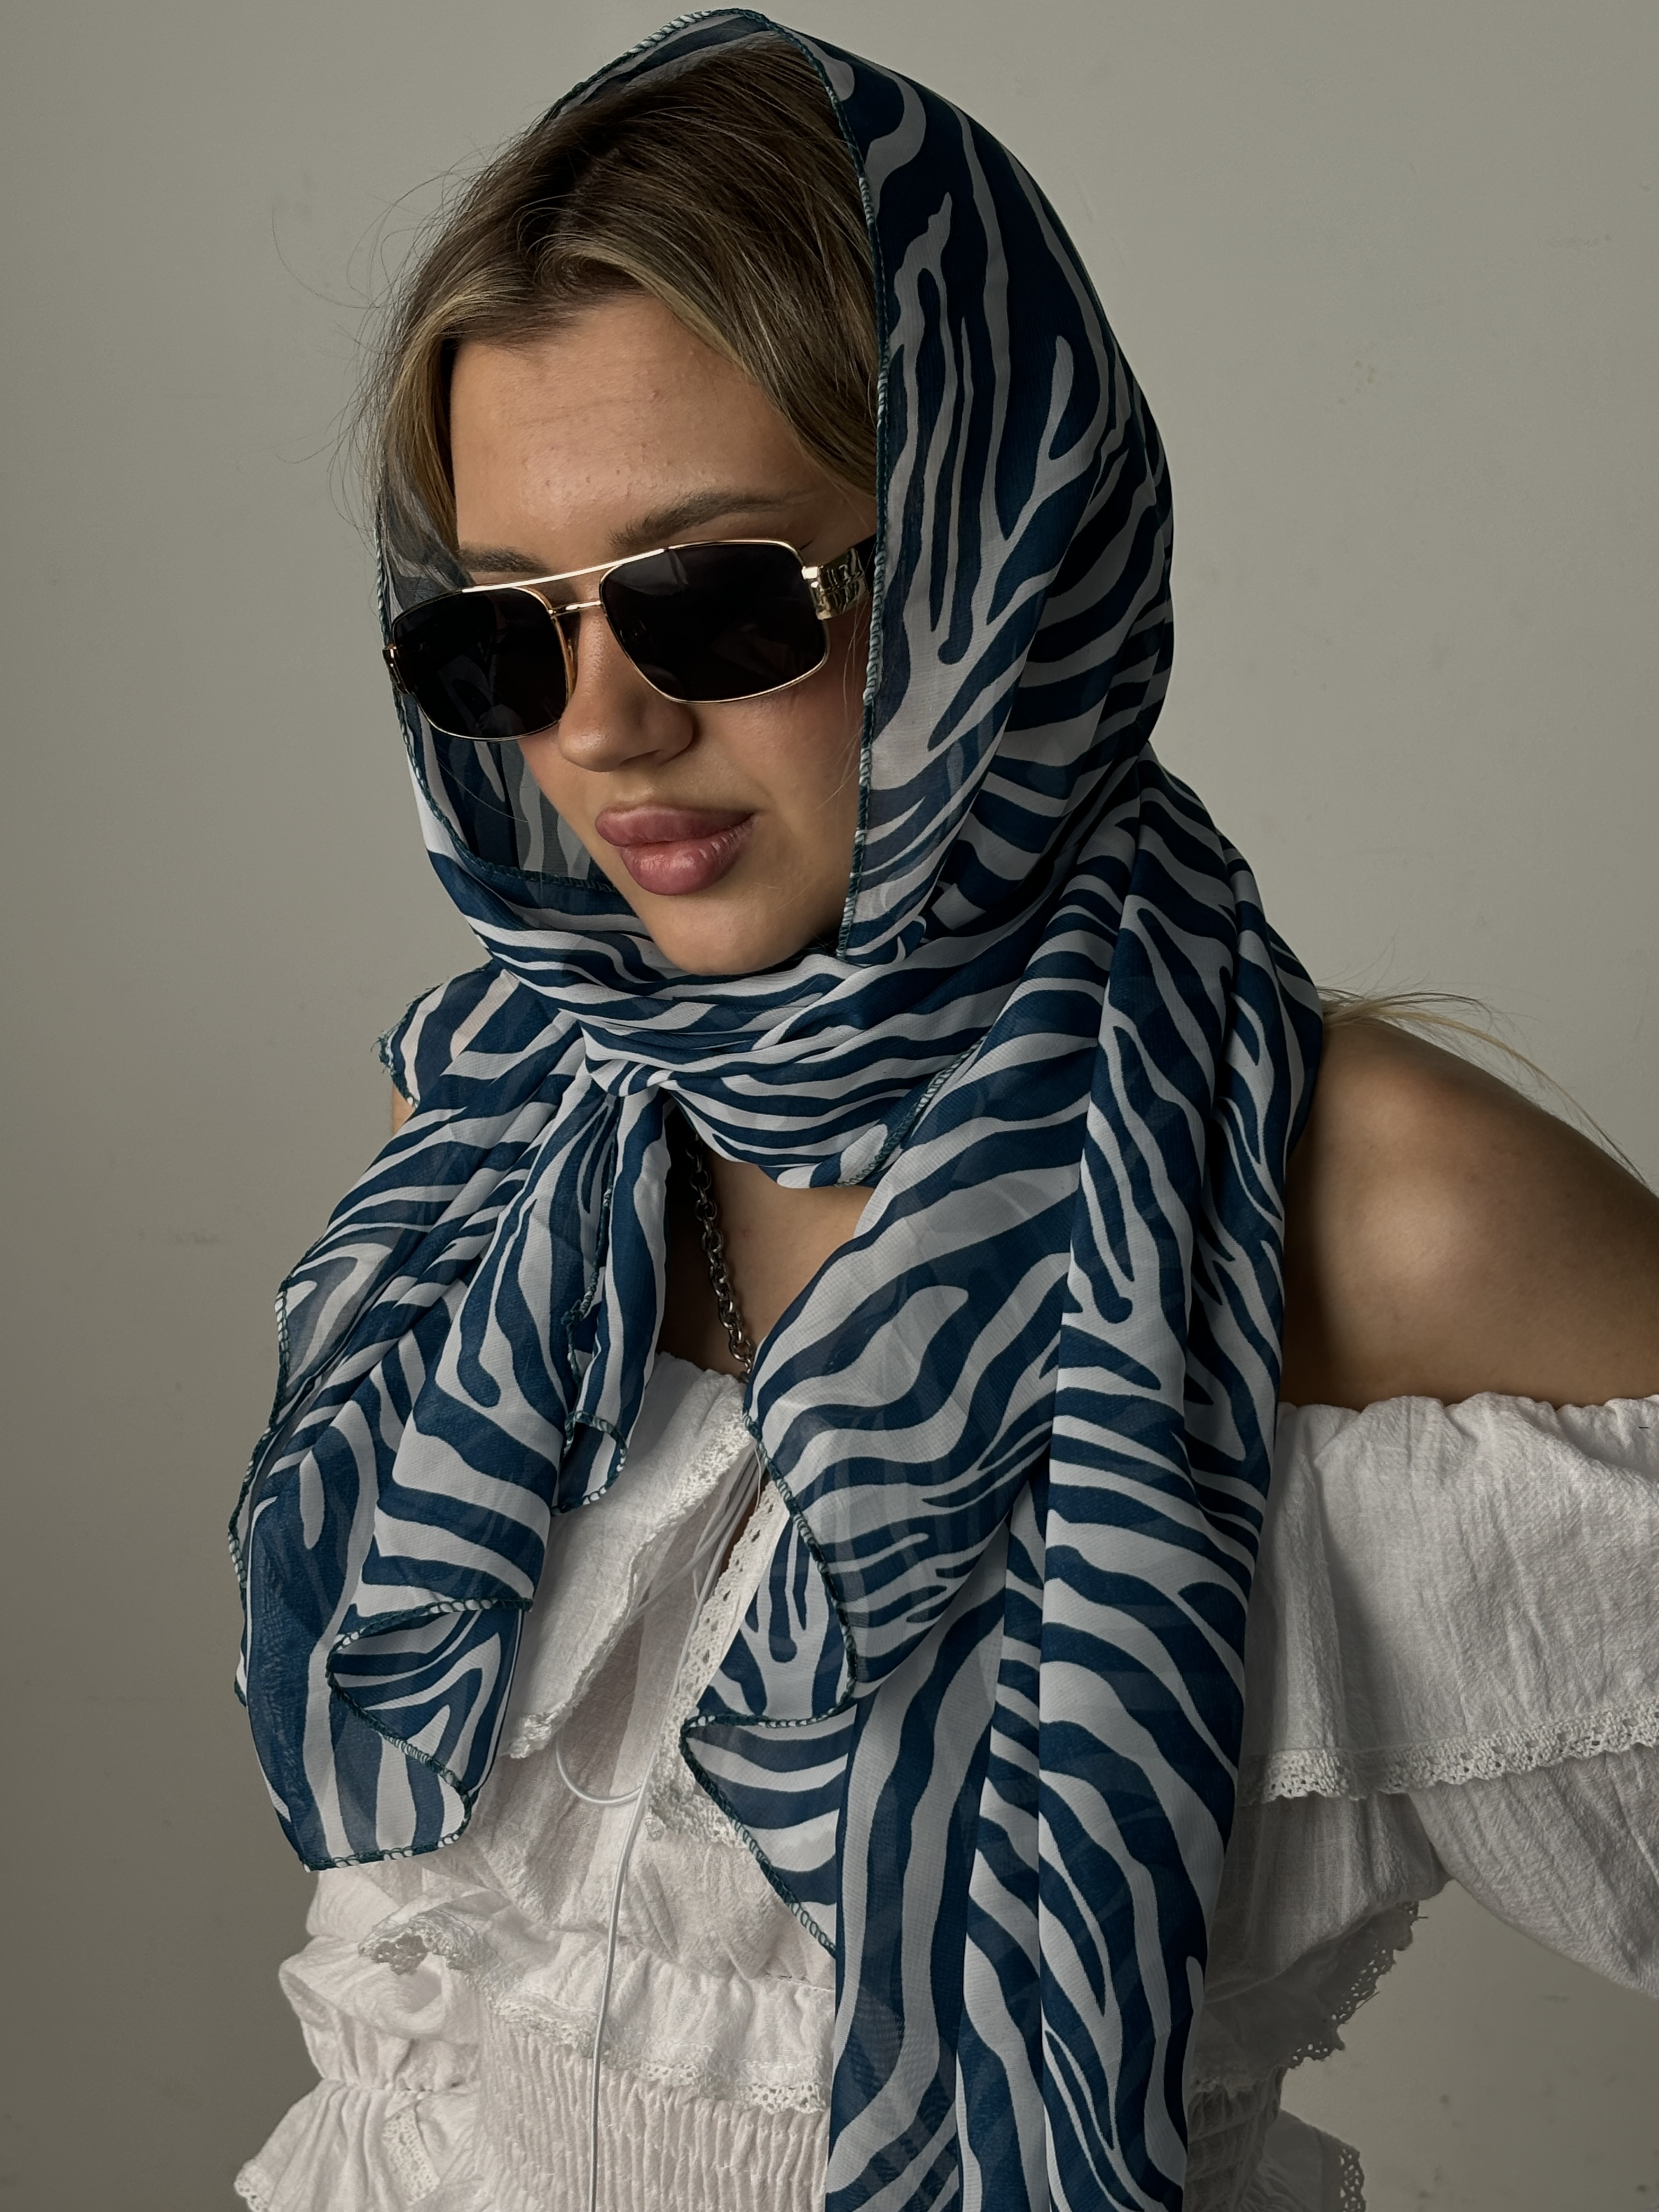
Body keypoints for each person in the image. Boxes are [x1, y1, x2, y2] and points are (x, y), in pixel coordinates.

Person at [231, 18, 1659, 2212]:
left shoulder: (1356, 1202)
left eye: (718, 600)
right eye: (500, 638)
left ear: (1000, 559)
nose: (601, 729)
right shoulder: (516, 1149)